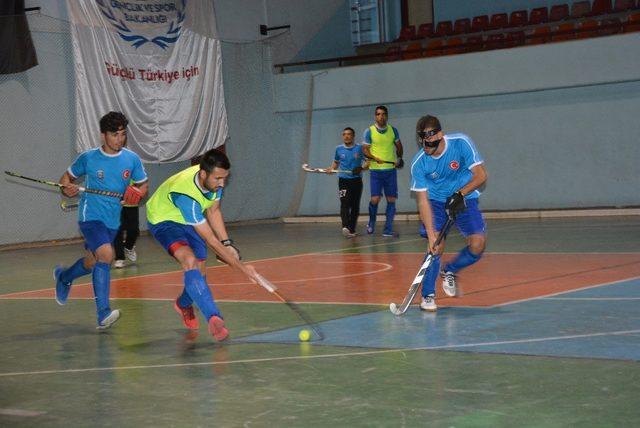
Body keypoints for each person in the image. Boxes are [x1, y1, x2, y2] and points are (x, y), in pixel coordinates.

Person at [146, 148, 259, 342]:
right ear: (203, 173)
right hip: (164, 219)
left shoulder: (214, 180)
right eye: (218, 179)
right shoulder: (186, 195)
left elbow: (214, 211)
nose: (222, 183)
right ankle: (214, 317)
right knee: (190, 261)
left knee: (200, 272)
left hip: (190, 218)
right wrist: (242, 268)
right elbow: (210, 240)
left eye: (225, 178)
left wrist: (227, 243)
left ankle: (183, 304)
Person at [54, 111, 148, 329]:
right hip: (90, 217)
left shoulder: (131, 159)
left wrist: (138, 193)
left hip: (112, 221)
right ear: (103, 135)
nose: (119, 139)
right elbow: (65, 179)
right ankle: (103, 314)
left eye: (123, 134)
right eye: (115, 134)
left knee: (92, 262)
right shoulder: (89, 158)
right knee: (107, 254)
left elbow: (143, 186)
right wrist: (66, 188)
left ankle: (64, 278)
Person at [409, 115, 488, 312]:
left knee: (478, 244)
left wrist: (460, 194)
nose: (425, 148)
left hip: (464, 197)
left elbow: (481, 176)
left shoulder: (461, 143)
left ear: (440, 135)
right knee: (436, 245)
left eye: (429, 143)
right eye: (422, 143)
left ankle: (450, 270)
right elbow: (422, 201)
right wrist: (430, 234)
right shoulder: (419, 163)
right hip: (435, 203)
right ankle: (427, 295)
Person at [361, 105, 404, 237]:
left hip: (390, 171)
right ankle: (371, 222)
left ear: (387, 116)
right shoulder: (369, 131)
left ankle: (388, 229)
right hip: (376, 171)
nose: (381, 116)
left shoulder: (393, 131)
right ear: (375, 116)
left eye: (383, 114)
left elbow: (399, 146)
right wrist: (374, 158)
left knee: (391, 199)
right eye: (378, 114)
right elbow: (365, 150)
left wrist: (399, 158)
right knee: (375, 199)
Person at [328, 127, 368, 238]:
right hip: (343, 180)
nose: (346, 136)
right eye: (344, 134)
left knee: (354, 206)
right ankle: (345, 226)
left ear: (353, 136)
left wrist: (361, 168)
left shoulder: (360, 148)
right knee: (345, 203)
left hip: (356, 180)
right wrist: (331, 169)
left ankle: (352, 229)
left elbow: (368, 161)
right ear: (342, 136)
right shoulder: (338, 149)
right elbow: (336, 163)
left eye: (349, 134)